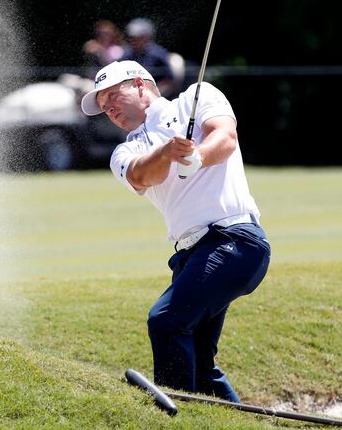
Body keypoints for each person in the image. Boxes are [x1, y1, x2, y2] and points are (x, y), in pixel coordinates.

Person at [80, 60, 271, 402]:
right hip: (191, 255)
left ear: (140, 84)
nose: (108, 107)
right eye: (102, 105)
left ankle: (175, 417)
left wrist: (196, 156)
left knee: (165, 321)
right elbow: (142, 175)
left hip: (235, 240)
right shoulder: (125, 150)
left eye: (112, 95)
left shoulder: (196, 97)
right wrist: (167, 153)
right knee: (199, 362)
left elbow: (224, 138)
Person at [120, 18, 176, 96]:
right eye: (132, 37)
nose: (134, 40)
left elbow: (169, 82)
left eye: (139, 37)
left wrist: (152, 94)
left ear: (147, 37)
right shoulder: (126, 54)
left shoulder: (158, 54)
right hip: (132, 94)